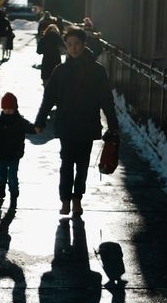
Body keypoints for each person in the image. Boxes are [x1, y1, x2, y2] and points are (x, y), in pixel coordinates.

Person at [34, 27, 118, 216]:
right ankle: (65, 200)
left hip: (87, 124)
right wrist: (40, 120)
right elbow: (49, 98)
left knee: (82, 165)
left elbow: (106, 99)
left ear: (83, 44)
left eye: (77, 44)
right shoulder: (60, 71)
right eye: (69, 44)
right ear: (65, 46)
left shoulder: (97, 71)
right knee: (66, 163)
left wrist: (113, 124)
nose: (73, 48)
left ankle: (77, 199)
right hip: (66, 124)